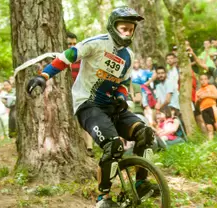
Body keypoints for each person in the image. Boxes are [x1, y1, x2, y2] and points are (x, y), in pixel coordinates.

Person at [26, 7, 158, 208]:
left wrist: (122, 97)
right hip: (88, 105)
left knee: (146, 134)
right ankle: (102, 199)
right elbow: (66, 56)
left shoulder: (128, 56)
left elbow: (124, 83)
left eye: (131, 30)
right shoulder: (96, 43)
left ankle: (140, 183)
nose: (128, 33)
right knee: (113, 145)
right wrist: (43, 76)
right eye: (124, 28)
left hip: (113, 106)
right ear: (113, 27)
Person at [66, 31, 95, 157]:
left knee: (85, 119)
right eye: (69, 44)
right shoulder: (61, 60)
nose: (72, 46)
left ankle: (89, 148)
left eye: (74, 43)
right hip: (66, 95)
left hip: (82, 93)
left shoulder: (81, 59)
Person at [196, 74, 217, 141]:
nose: (203, 81)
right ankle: (211, 143)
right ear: (199, 81)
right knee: (209, 127)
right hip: (203, 109)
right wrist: (199, 100)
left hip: (212, 107)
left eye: (205, 79)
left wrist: (207, 95)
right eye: (201, 79)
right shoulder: (198, 91)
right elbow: (196, 103)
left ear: (208, 80)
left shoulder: (212, 87)